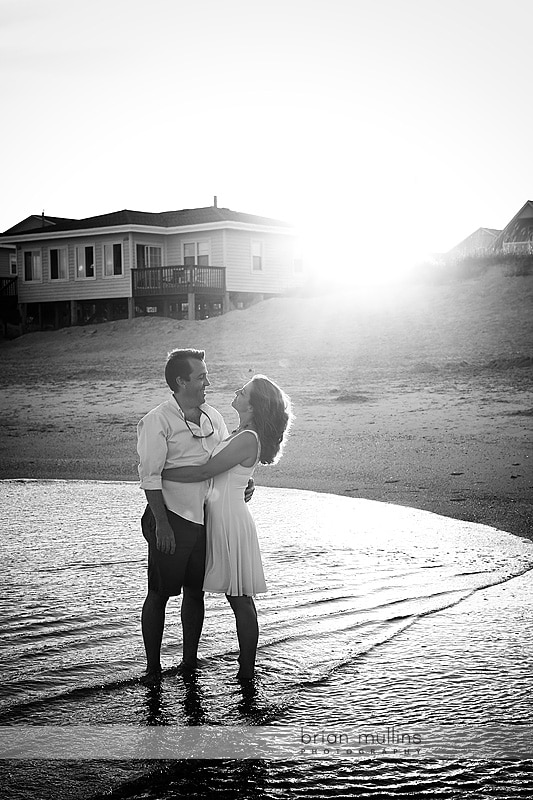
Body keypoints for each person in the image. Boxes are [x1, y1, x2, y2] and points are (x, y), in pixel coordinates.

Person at [161, 374, 292, 681]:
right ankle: (193, 665)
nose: (237, 391)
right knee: (214, 595)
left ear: (254, 403)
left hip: (231, 521)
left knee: (240, 600)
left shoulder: (248, 437)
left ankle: (247, 672)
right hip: (216, 517)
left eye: (243, 391)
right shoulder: (238, 433)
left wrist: (159, 472)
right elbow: (229, 472)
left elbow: (206, 470)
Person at [137, 348, 253, 685]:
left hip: (207, 520)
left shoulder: (213, 416)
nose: (207, 382)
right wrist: (161, 524)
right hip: (170, 519)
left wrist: (247, 483)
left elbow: (223, 459)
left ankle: (189, 662)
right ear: (181, 381)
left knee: (195, 593)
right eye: (201, 376)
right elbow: (150, 476)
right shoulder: (157, 420)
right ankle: (153, 669)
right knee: (159, 593)